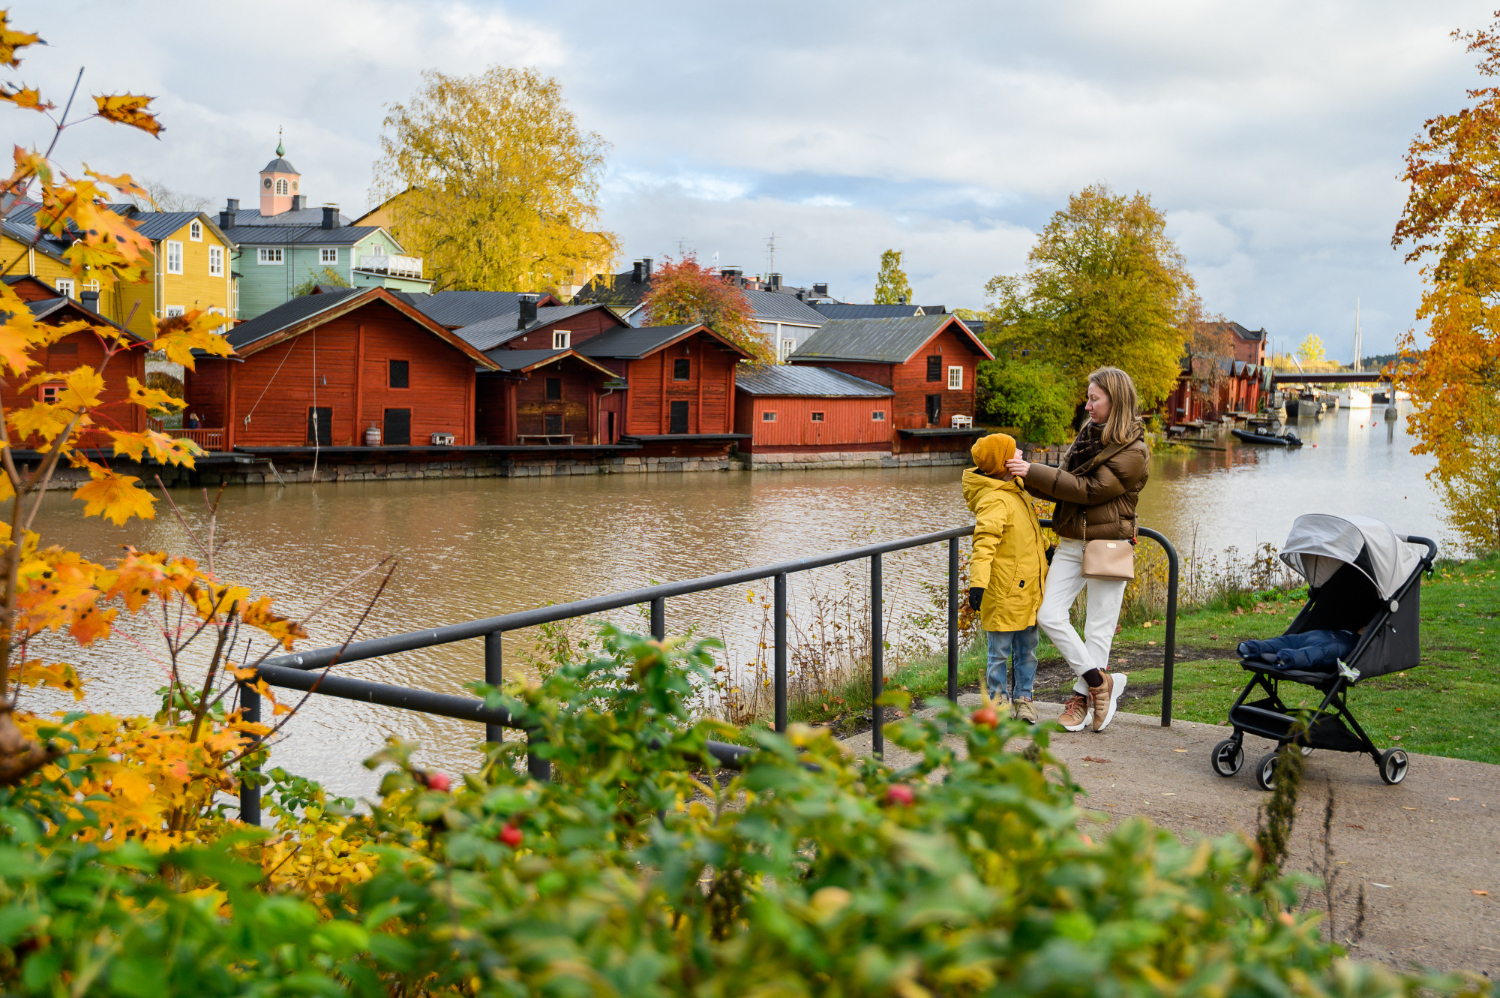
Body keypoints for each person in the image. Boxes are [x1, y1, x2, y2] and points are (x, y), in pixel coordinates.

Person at [1004, 366, 1150, 733]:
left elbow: (1088, 490)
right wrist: (1025, 475)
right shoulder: (1088, 436)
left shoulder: (1135, 452)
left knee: (1098, 627)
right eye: (1088, 398)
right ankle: (1102, 683)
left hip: (1108, 543)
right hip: (1072, 540)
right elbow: (1064, 484)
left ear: (1114, 401)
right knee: (1049, 615)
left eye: (1094, 398)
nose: (1087, 405)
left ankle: (1083, 699)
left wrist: (1033, 470)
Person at [963, 432, 1048, 724]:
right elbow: (984, 544)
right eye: (1015, 453)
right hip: (1002, 591)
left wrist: (1047, 551)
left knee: (1028, 651)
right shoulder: (995, 500)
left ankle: (1025, 698)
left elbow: (1029, 533)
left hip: (1027, 590)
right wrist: (978, 584)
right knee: (998, 653)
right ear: (1003, 463)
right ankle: (998, 701)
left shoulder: (1018, 491)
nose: (1021, 455)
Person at [1238, 628, 1361, 671]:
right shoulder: (1366, 640)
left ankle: (1253, 648)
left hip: (1328, 636)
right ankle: (1285, 658)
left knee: (1293, 642)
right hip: (1333, 639)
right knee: (1310, 652)